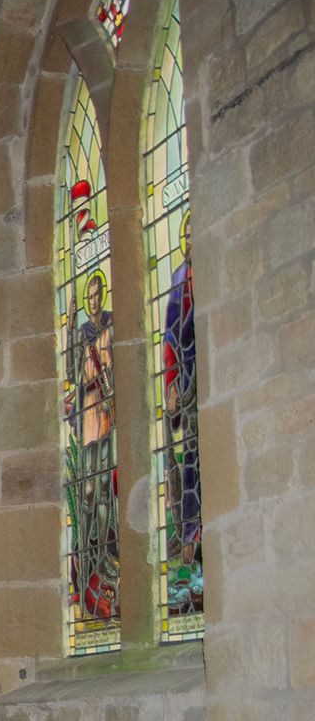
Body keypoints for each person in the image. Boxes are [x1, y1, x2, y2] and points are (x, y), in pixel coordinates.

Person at [68, 269, 118, 622]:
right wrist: (70, 325)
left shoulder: (112, 326)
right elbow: (73, 371)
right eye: (90, 295)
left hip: (107, 409)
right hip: (88, 412)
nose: (94, 299)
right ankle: (89, 559)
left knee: (103, 485)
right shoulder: (84, 332)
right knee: (87, 486)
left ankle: (105, 556)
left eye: (98, 293)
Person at [161, 215, 201, 613]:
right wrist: (171, 381)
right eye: (186, 234)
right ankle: (189, 556)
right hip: (189, 382)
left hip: (210, 373)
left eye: (194, 232)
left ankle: (200, 553)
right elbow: (171, 334)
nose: (190, 239)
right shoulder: (178, 278)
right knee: (191, 462)